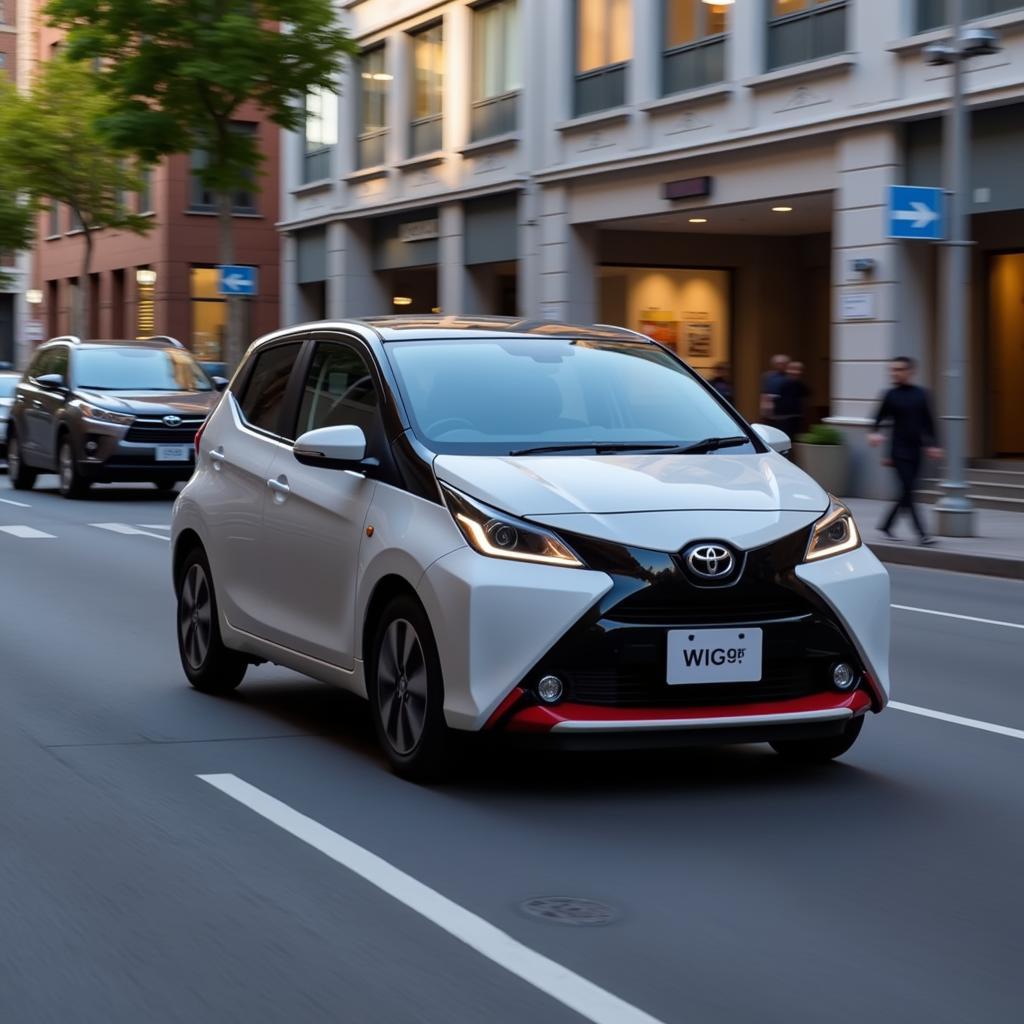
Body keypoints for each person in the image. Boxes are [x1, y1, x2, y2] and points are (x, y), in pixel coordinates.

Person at [869, 356, 943, 546]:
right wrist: (874, 434)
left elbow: (929, 422)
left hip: (916, 450)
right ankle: (922, 534)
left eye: (899, 369)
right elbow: (877, 419)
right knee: (909, 489)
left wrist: (934, 444)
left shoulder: (922, 394)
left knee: (907, 491)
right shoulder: (890, 395)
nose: (895, 373)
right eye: (893, 370)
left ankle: (886, 525)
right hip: (898, 451)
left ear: (910, 372)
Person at [774, 360, 810, 438]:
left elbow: (805, 398)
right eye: (793, 369)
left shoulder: (801, 385)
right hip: (782, 417)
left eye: (798, 370)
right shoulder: (779, 382)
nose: (795, 372)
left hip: (795, 416)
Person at [760, 353, 789, 424]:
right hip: (769, 409)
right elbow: (764, 393)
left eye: (782, 363)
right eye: (778, 363)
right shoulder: (767, 376)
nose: (780, 365)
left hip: (785, 411)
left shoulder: (789, 377)